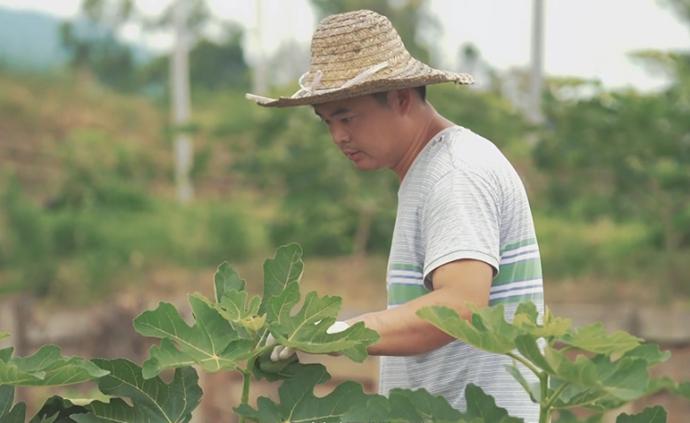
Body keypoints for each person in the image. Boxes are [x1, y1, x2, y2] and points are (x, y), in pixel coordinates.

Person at [246, 9, 543, 421]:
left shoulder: (454, 173)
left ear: (401, 98)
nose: (338, 137)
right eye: (327, 122)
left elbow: (461, 307)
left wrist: (337, 334)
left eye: (347, 117)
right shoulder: (429, 171)